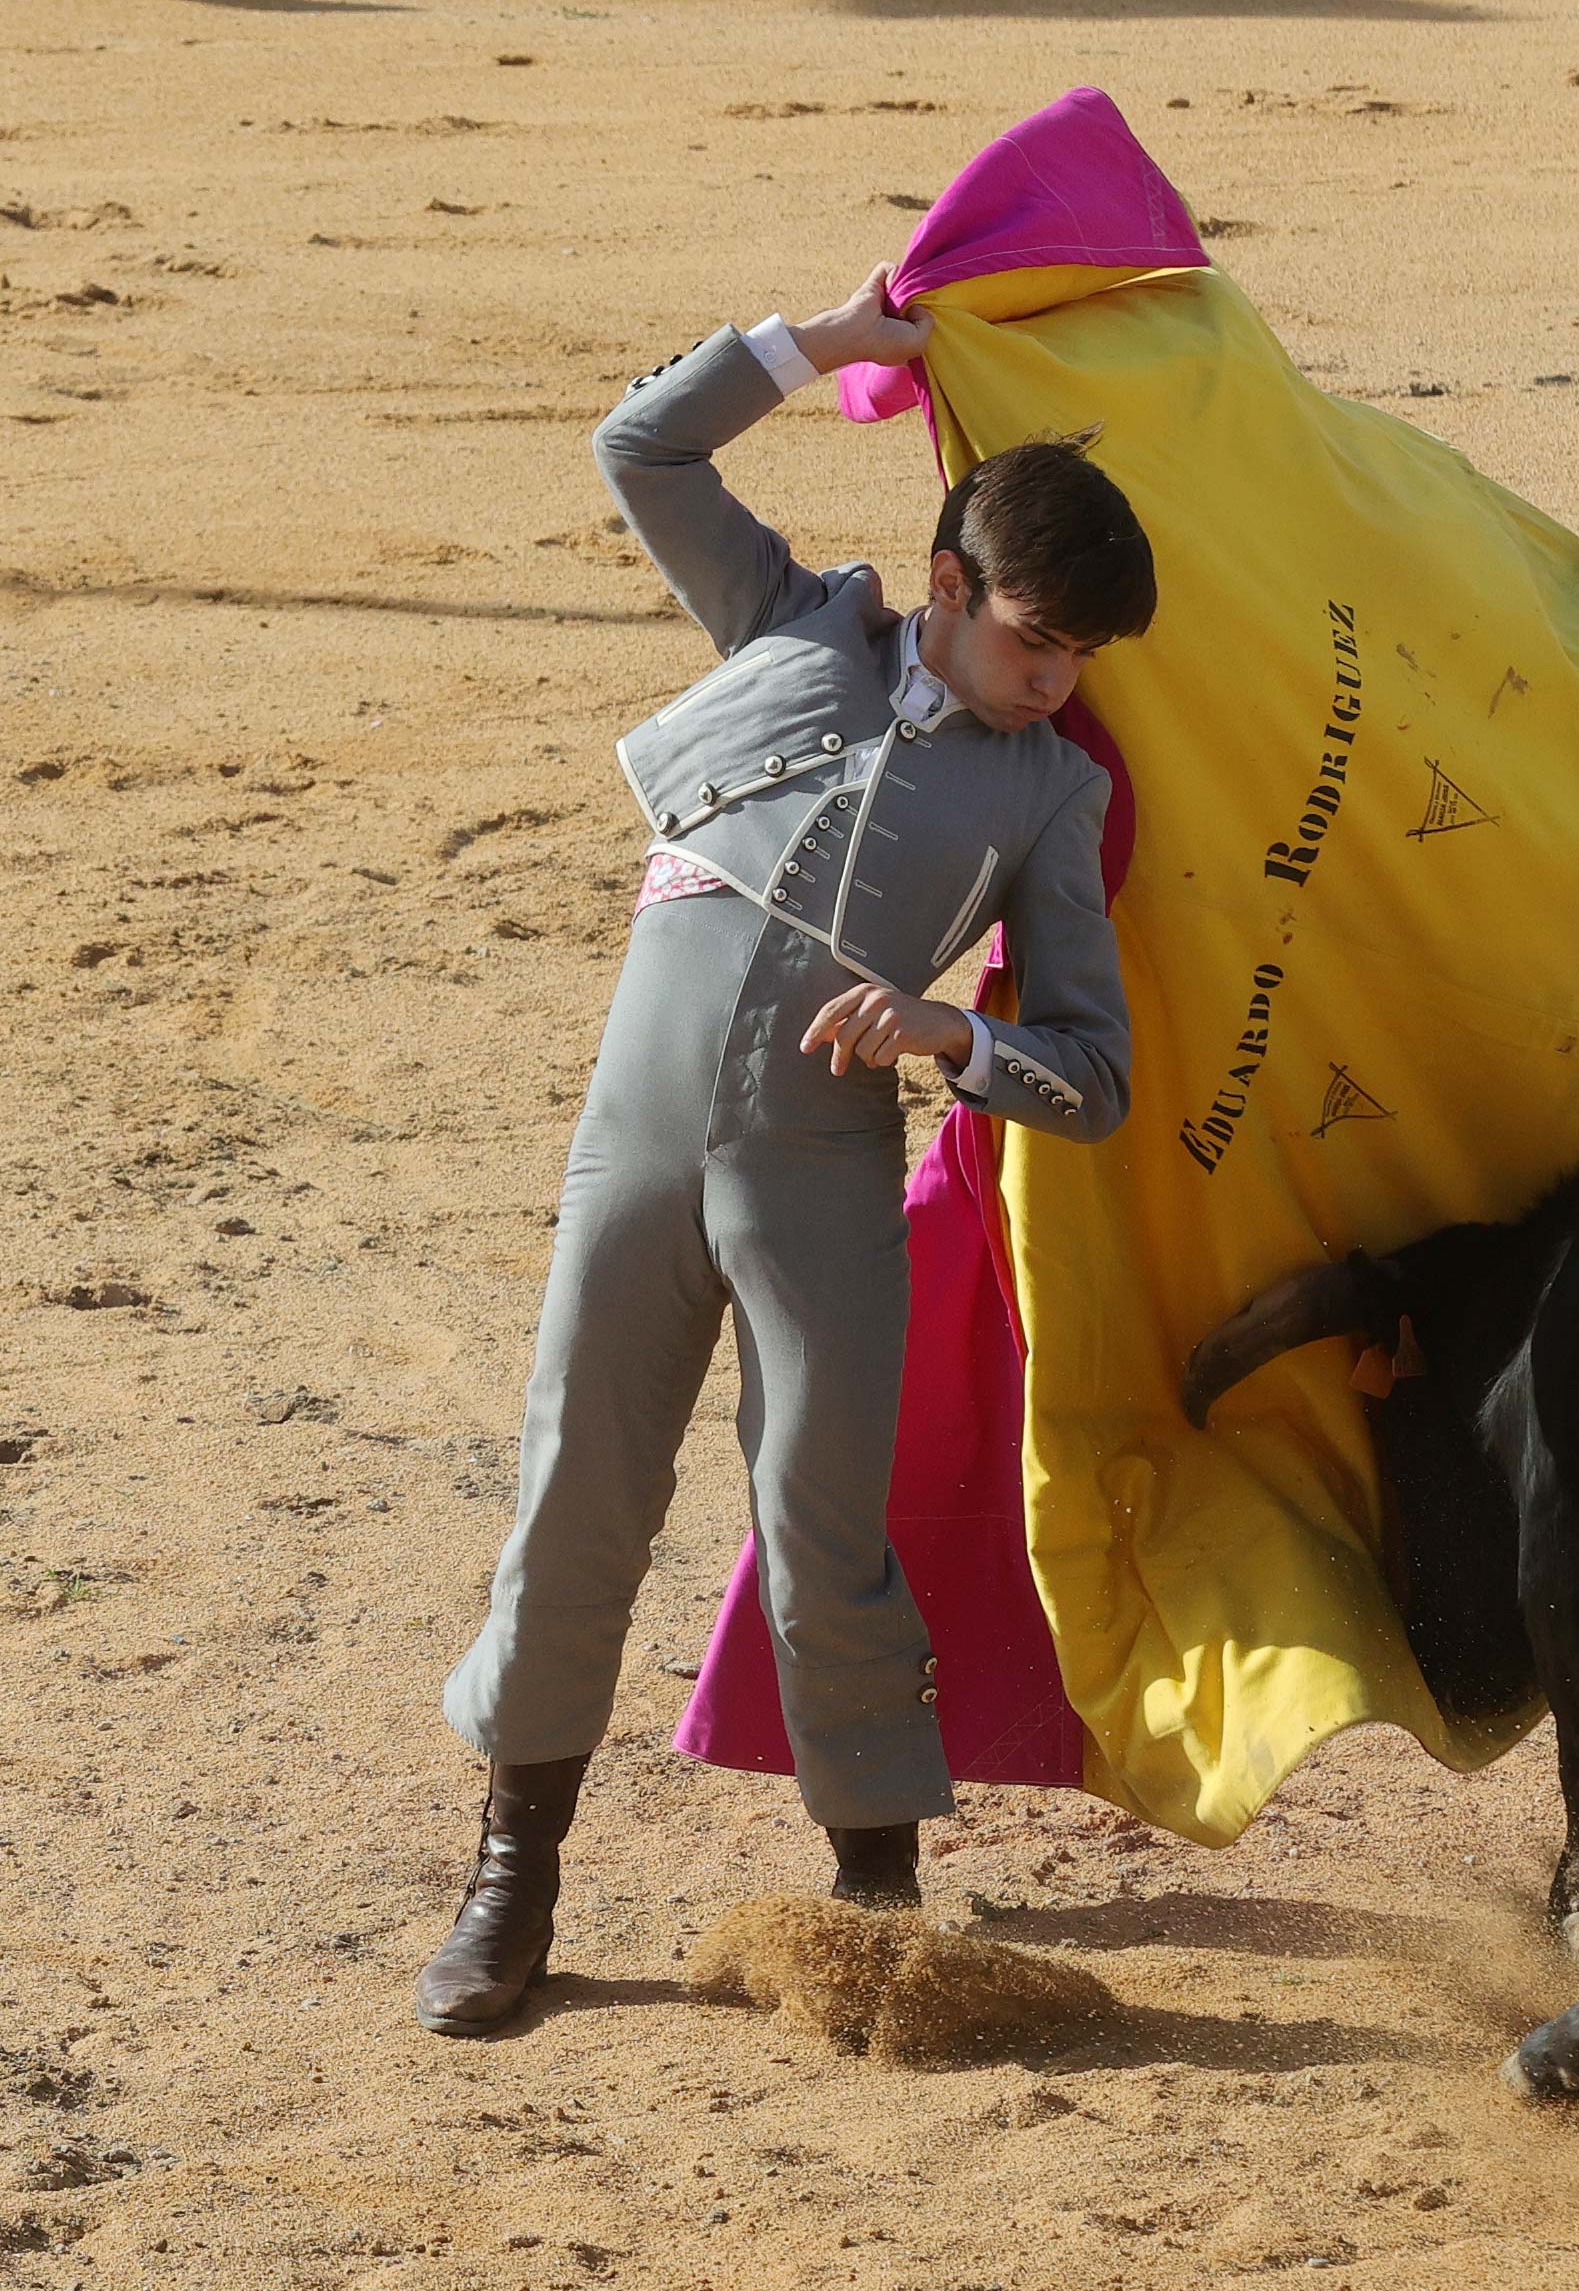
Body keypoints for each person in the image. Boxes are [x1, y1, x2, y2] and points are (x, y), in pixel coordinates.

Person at [415, 265, 1153, 2036]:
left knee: (824, 1514)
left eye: (1081, 660)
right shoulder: (795, 622)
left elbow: (1097, 1073)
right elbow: (637, 443)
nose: (1055, 683)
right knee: (578, 1488)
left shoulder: (1053, 794)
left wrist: (951, 1035)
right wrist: (819, 347)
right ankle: (515, 1869)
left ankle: (878, 1893)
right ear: (952, 589)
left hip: (820, 1172)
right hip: (635, 1148)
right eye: (1035, 639)